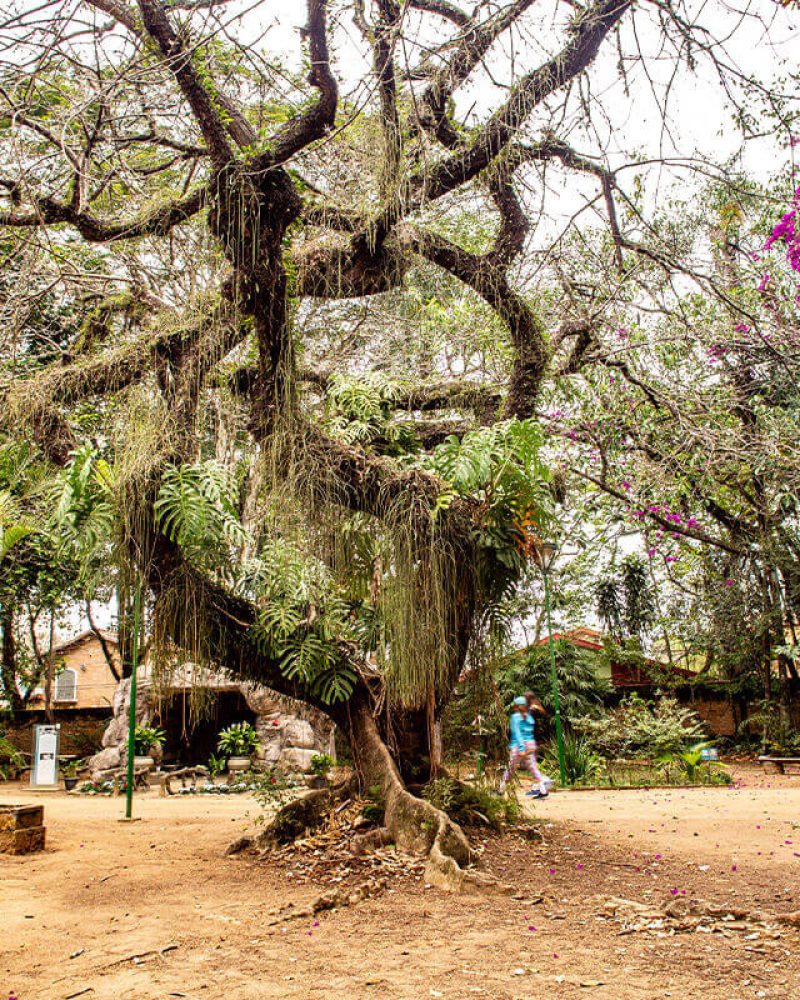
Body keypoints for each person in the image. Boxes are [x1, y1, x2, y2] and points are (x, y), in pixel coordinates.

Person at [498, 695, 551, 798]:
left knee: (510, 768)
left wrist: (521, 748)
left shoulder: (515, 717)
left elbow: (517, 734)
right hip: (531, 744)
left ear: (516, 706)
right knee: (533, 767)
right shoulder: (529, 716)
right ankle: (543, 791)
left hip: (519, 745)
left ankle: (500, 790)